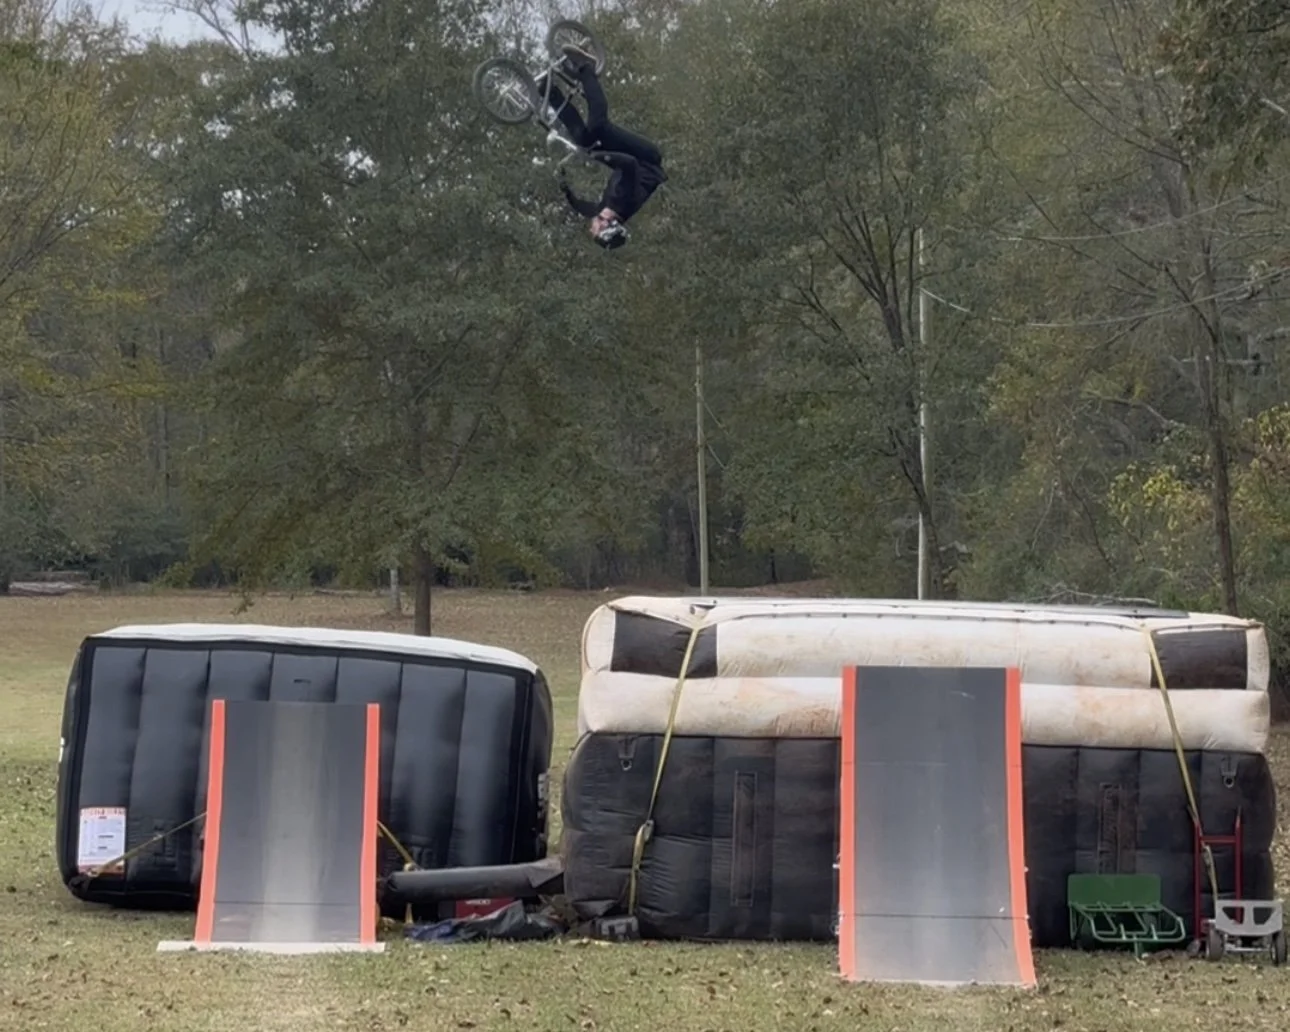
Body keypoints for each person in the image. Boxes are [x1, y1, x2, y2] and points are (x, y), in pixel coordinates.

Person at [535, 45, 668, 250]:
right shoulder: (622, 202)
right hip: (645, 157)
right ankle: (586, 67)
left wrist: (563, 184)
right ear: (607, 225)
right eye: (596, 231)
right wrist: (598, 156)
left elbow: (582, 207)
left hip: (632, 160)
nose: (591, 230)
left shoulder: (604, 208)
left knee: (582, 139)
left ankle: (549, 92)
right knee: (599, 127)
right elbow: (628, 164)